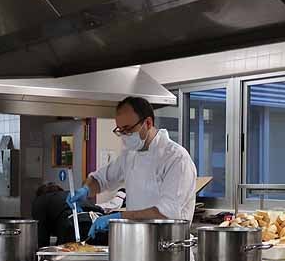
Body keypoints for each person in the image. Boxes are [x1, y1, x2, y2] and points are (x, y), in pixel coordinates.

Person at [68, 97, 198, 238]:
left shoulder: (175, 158)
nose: (124, 136)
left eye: (128, 129)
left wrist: (120, 217)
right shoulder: (130, 155)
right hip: (137, 245)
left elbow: (166, 213)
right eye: (120, 130)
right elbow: (101, 180)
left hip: (169, 249)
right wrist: (85, 190)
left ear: (148, 123)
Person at [31, 182, 102, 246]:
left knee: (65, 257)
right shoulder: (71, 195)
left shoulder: (40, 200)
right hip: (100, 223)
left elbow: (41, 236)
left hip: (76, 226)